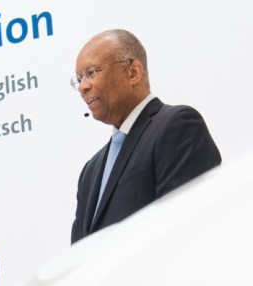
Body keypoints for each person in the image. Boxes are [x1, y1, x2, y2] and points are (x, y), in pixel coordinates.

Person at [70, 29, 222, 243]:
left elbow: (185, 232)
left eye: (92, 72)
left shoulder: (177, 126)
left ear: (133, 72)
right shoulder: (90, 171)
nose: (83, 87)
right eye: (79, 78)